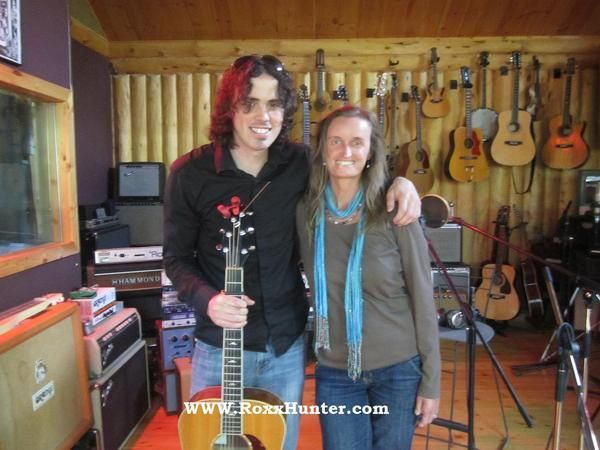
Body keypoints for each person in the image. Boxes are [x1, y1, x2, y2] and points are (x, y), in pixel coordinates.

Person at [163, 55, 421, 450]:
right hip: (218, 347)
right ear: (230, 108)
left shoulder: (302, 164)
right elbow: (176, 259)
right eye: (249, 103)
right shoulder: (189, 173)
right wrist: (209, 300)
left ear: (285, 110)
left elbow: (355, 170)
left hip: (284, 346)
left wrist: (400, 182)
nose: (262, 116)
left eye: (273, 104)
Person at [296, 105, 440, 450]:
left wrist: (431, 382)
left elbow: (423, 297)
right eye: (336, 141)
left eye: (357, 142)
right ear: (323, 149)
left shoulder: (395, 210)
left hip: (398, 370)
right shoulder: (306, 212)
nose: (345, 151)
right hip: (335, 371)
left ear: (371, 152)